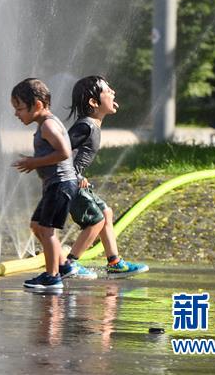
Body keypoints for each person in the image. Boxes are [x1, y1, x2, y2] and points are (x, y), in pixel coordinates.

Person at [61, 75, 149, 278]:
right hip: (66, 182)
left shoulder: (93, 125)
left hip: (74, 179)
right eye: (108, 91)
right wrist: (73, 174)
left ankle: (114, 262)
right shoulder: (86, 126)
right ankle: (69, 264)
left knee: (106, 213)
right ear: (93, 102)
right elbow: (60, 149)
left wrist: (79, 174)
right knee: (95, 221)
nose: (113, 93)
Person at [11, 78, 78, 289]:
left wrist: (34, 162)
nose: (16, 114)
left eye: (19, 108)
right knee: (37, 226)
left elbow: (64, 153)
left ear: (38, 105)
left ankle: (52, 276)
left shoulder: (48, 125)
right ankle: (61, 265)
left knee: (47, 230)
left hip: (60, 184)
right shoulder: (45, 124)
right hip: (54, 185)